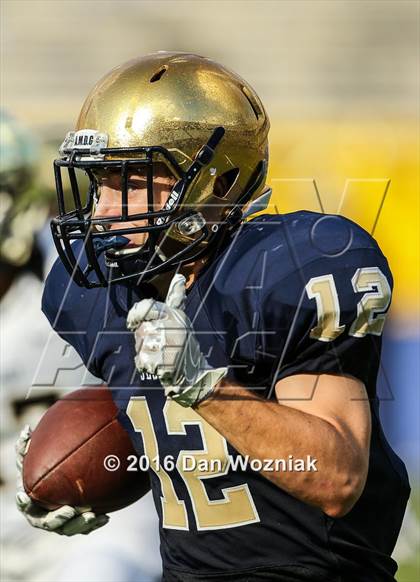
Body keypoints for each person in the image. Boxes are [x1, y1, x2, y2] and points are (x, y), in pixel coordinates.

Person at [15, 52, 410, 581]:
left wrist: (205, 387)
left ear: (218, 184)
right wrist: (82, 466)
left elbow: (336, 478)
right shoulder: (95, 289)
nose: (103, 209)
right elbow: (171, 430)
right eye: (100, 181)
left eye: (130, 182)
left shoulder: (287, 268)